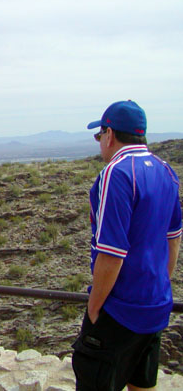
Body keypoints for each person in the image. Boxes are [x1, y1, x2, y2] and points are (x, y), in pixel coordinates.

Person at [71, 100, 182, 390]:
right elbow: (173, 240)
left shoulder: (116, 174)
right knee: (142, 385)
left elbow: (112, 253)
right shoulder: (166, 171)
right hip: (156, 305)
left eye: (99, 136)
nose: (99, 144)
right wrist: (160, 285)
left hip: (120, 310)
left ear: (109, 134)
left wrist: (94, 309)